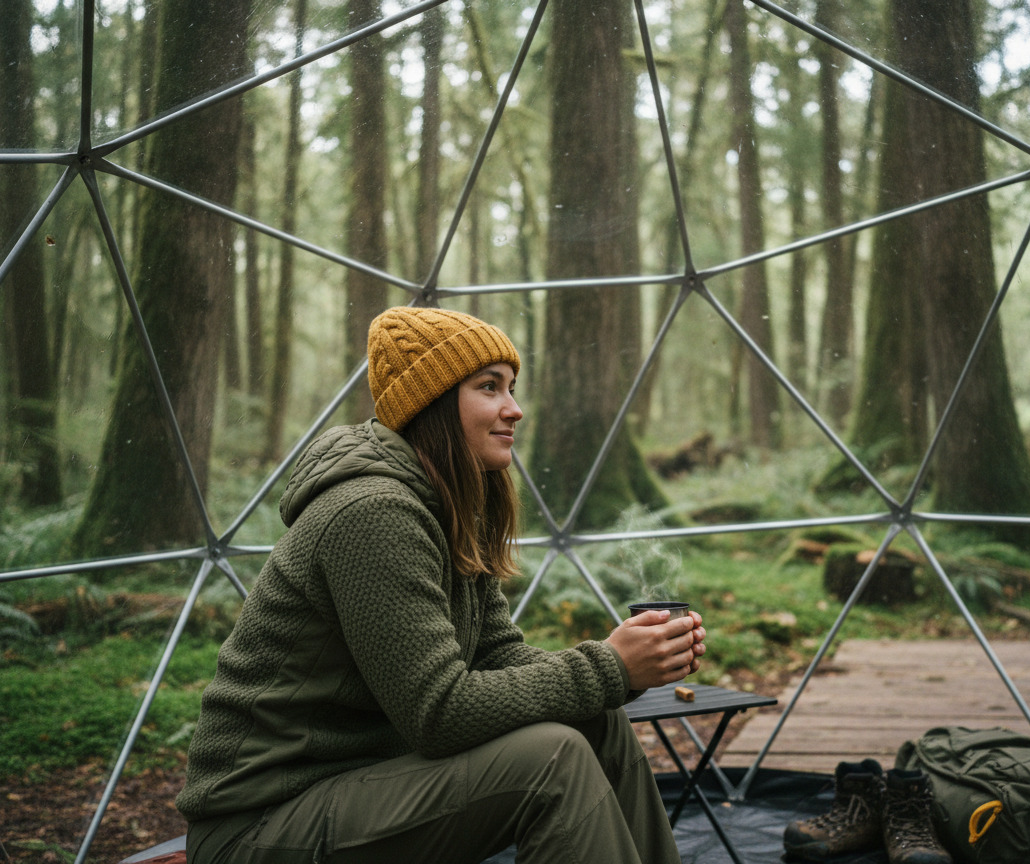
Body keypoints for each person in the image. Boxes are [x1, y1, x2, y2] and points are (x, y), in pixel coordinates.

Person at [175, 305, 707, 864]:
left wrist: (628, 662)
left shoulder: (444, 503)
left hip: (362, 784)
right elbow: (438, 712)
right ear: (431, 402)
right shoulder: (370, 512)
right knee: (553, 758)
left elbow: (498, 655)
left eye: (511, 387)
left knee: (598, 724)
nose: (515, 408)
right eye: (489, 387)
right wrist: (609, 666)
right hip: (262, 824)